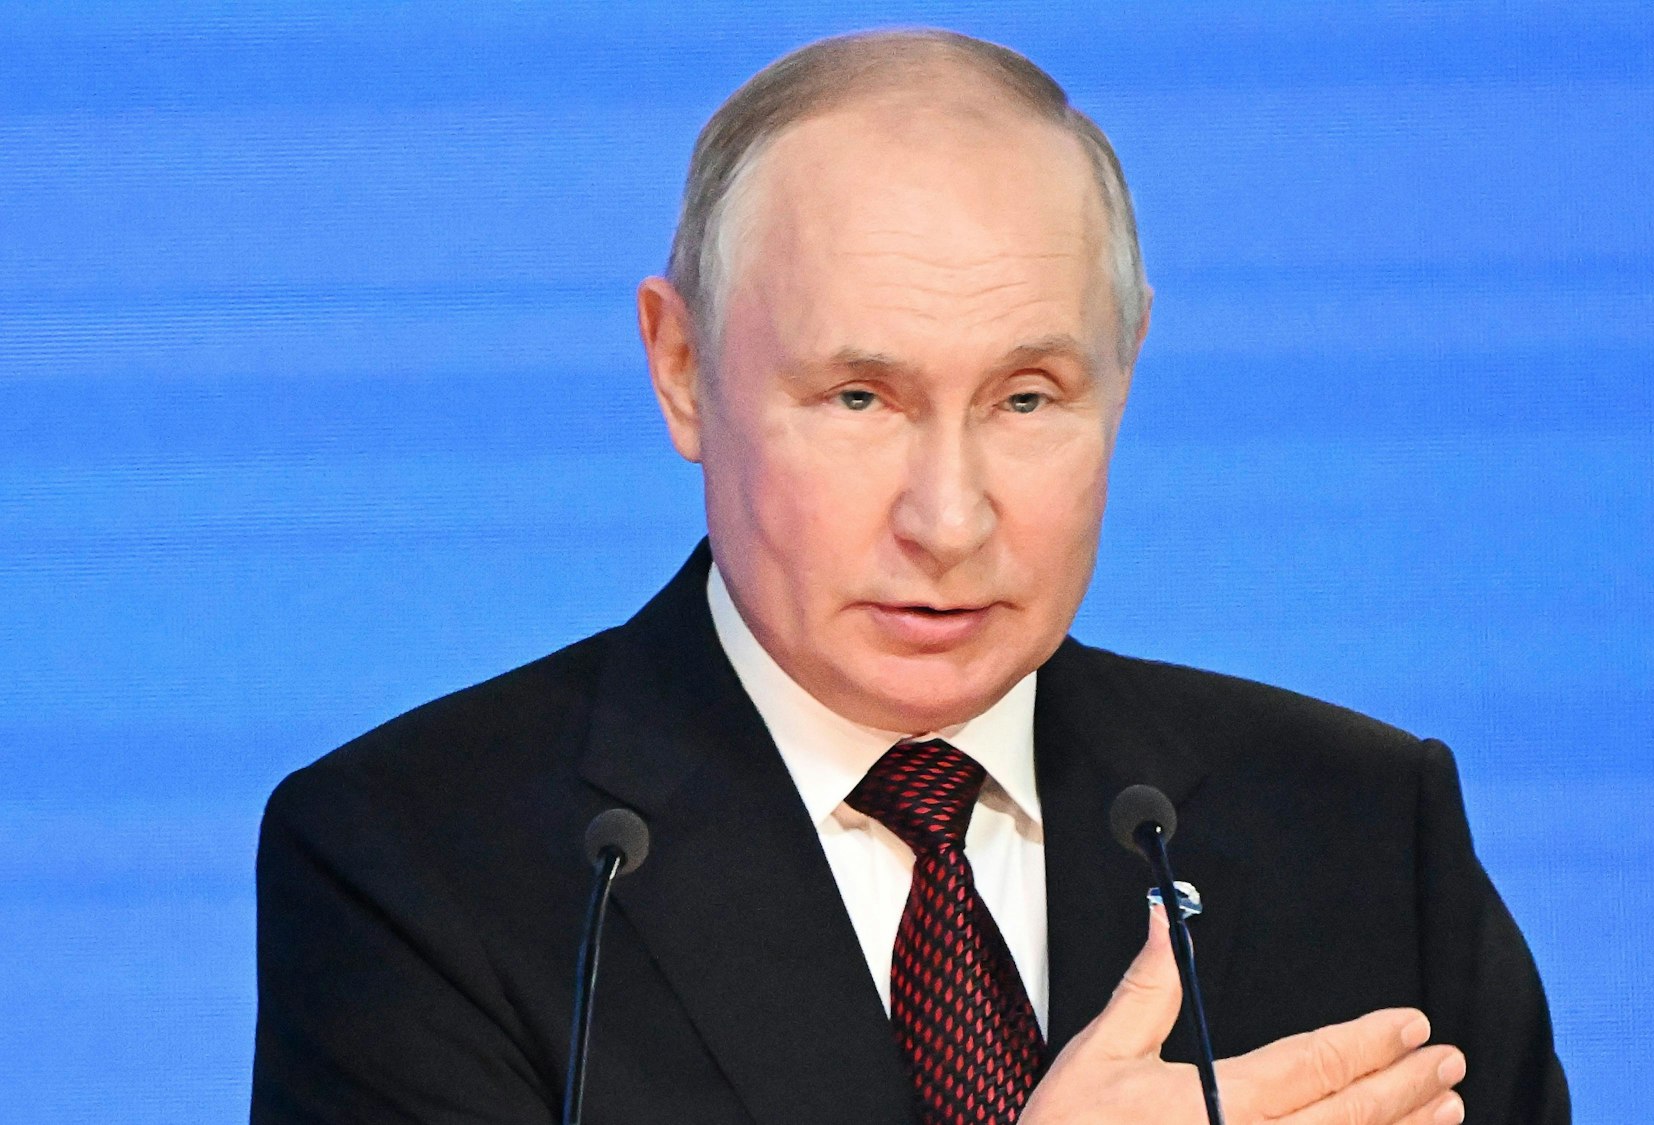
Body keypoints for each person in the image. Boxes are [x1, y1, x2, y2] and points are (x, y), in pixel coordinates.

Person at [252, 28, 1567, 1125]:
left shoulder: (1358, 828)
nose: (950, 517)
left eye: (1030, 396)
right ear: (682, 370)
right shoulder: (423, 864)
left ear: (1129, 365)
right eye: (861, 395)